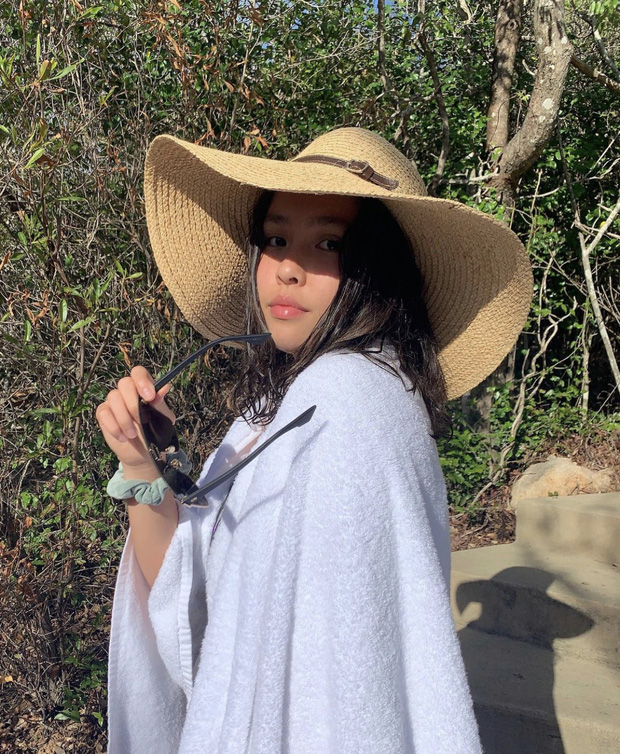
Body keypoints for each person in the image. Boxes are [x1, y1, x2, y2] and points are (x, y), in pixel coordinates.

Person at [97, 127, 532, 753]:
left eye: (329, 243)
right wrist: (141, 463)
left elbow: (343, 699)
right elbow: (198, 613)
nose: (288, 269)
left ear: (379, 270)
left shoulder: (347, 407)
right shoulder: (275, 415)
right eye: (275, 239)